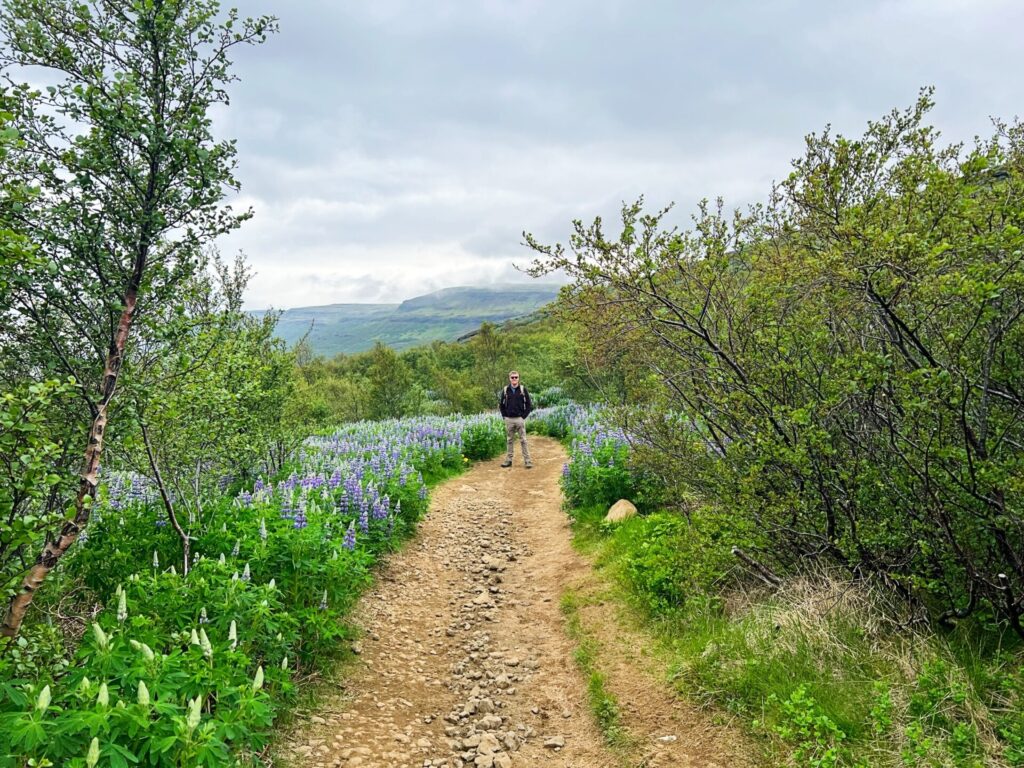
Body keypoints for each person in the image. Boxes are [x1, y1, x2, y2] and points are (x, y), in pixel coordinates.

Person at [498, 370, 533, 468]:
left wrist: (523, 417)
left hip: (519, 419)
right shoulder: (505, 390)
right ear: (509, 378)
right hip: (509, 419)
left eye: (516, 377)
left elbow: (529, 404)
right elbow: (501, 405)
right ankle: (508, 460)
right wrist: (504, 416)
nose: (514, 379)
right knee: (509, 440)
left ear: (518, 378)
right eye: (512, 377)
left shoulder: (522, 389)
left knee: (523, 440)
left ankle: (527, 461)